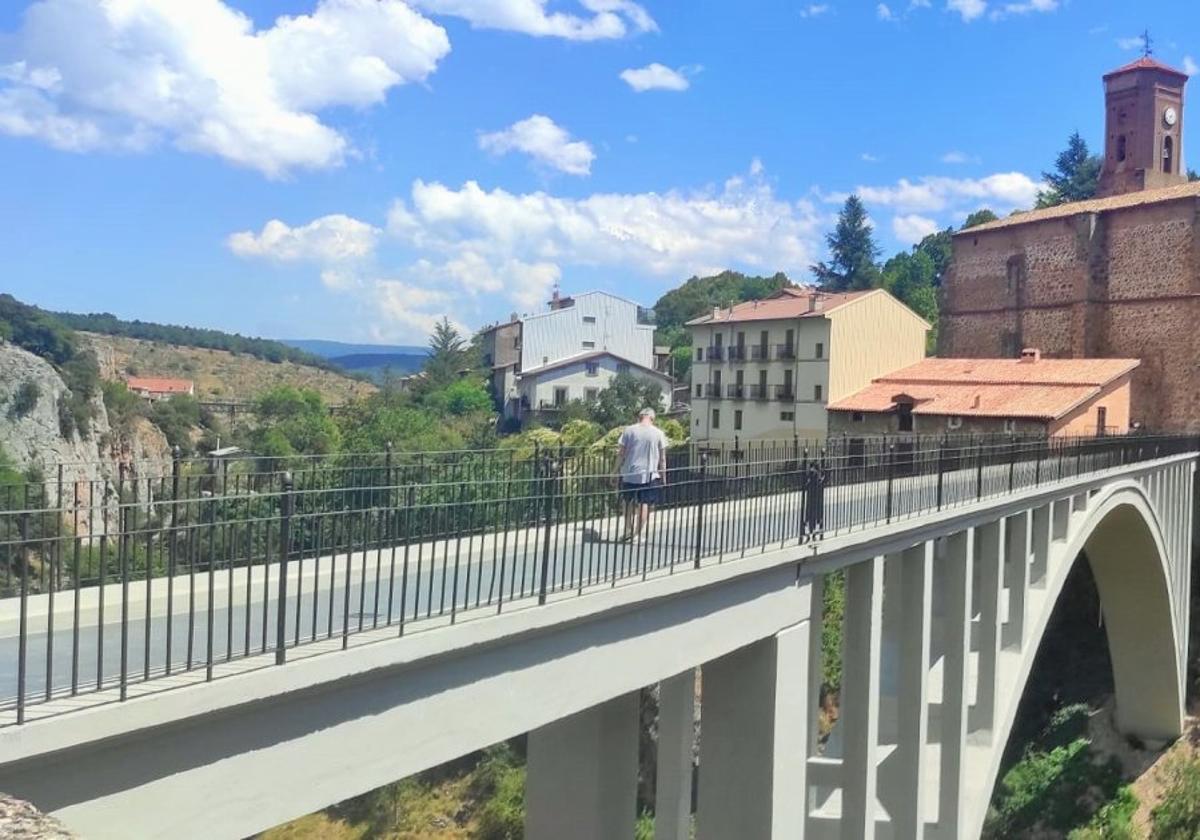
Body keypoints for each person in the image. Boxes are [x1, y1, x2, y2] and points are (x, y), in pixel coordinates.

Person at [615, 407, 669, 542]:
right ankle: (637, 535)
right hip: (649, 474)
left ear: (639, 417)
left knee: (627, 502)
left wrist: (614, 471)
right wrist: (664, 476)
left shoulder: (629, 430)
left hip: (629, 473)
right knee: (644, 504)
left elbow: (621, 453)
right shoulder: (658, 433)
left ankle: (628, 529)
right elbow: (662, 459)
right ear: (652, 418)